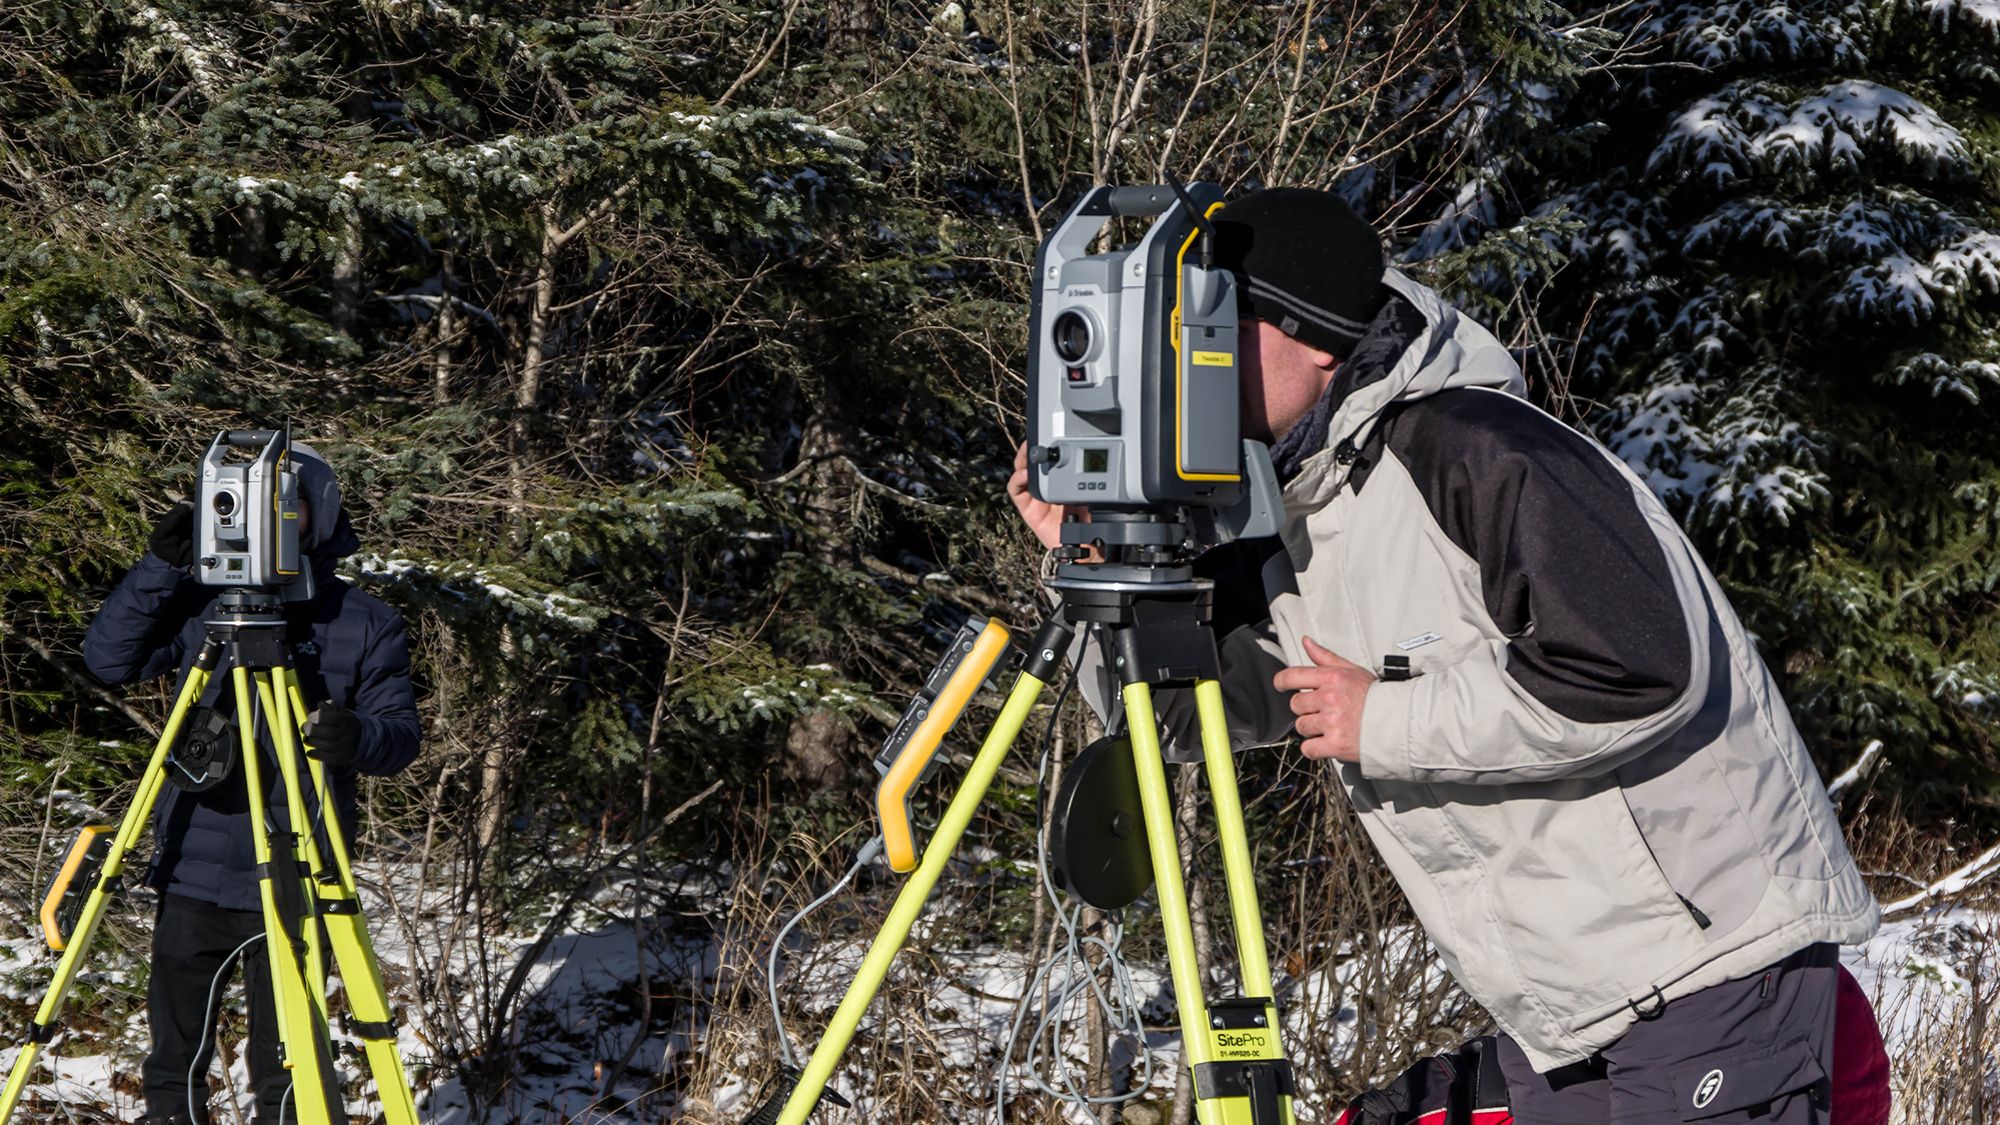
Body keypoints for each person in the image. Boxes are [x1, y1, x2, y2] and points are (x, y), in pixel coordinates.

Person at [1008, 188, 1884, 1123]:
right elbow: (1184, 711)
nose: (1188, 361)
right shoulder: (1296, 513)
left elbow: (1640, 671)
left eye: (1215, 326)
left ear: (1316, 336)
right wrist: (1097, 558)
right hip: (1572, 1011)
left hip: (1709, 973)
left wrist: (1381, 718)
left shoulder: (1479, 450)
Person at [83, 444, 420, 1125]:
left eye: (284, 507)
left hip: (299, 869)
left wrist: (356, 735)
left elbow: (400, 737)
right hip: (193, 869)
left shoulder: (363, 620)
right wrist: (161, 566)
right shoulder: (202, 605)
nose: (267, 524)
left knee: (289, 1069)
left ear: (317, 515)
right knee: (172, 1067)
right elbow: (108, 659)